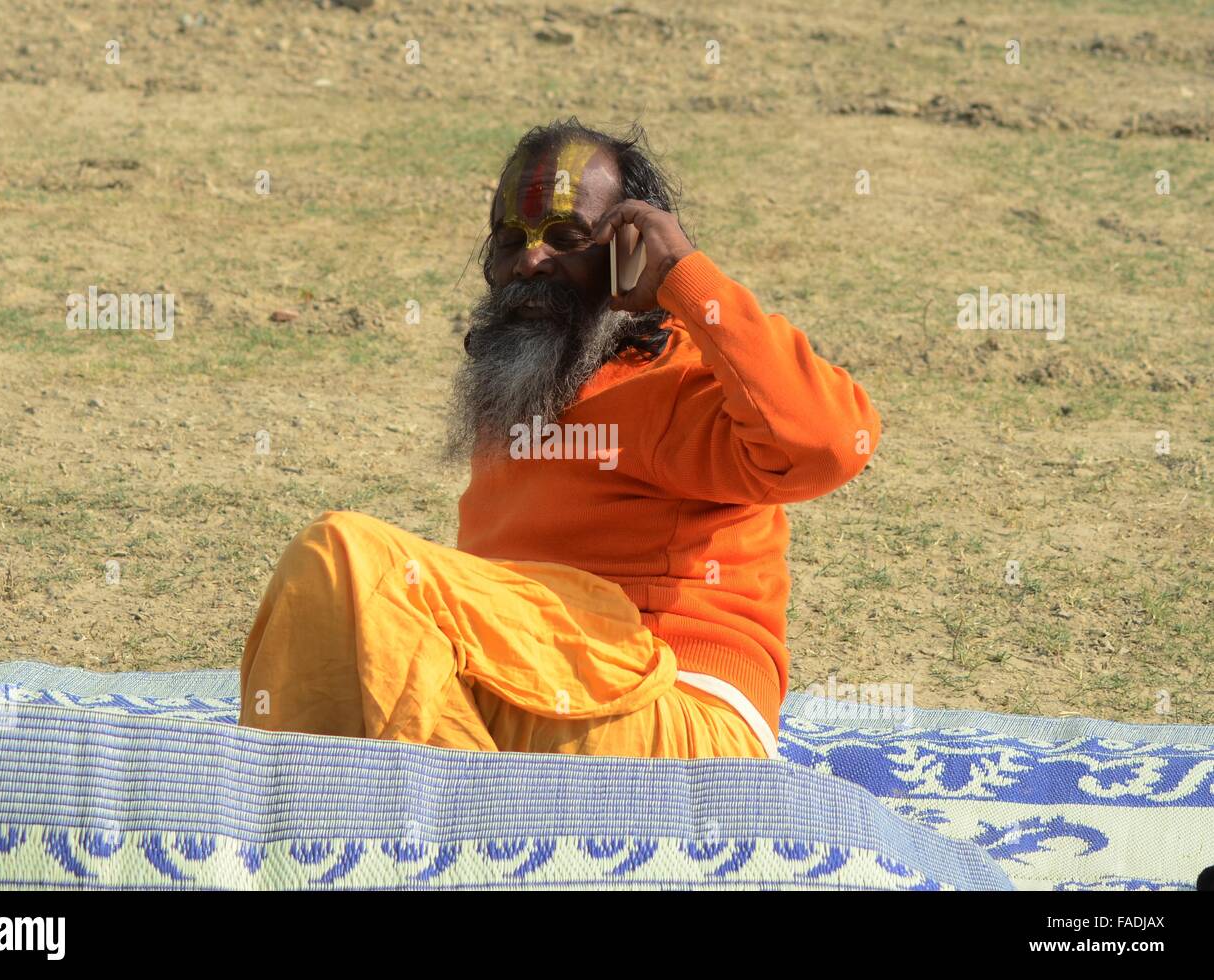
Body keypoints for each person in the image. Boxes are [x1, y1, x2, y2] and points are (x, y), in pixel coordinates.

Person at [239, 118, 881, 759]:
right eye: (510, 238)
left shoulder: (679, 375)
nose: (530, 259)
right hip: (543, 690)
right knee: (347, 630)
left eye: (568, 237)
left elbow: (828, 444)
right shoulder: (522, 385)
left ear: (628, 252)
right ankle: (404, 831)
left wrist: (687, 279)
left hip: (679, 716)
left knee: (346, 560)